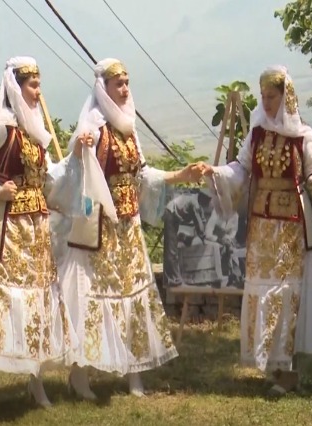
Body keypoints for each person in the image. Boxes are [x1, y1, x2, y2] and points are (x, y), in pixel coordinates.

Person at [198, 65, 312, 396]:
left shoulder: (302, 136)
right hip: (262, 226)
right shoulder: (256, 133)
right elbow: (241, 169)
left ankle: (287, 368)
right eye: (263, 97)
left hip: (291, 226)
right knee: (262, 288)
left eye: (272, 97)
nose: (266, 103)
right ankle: (272, 364)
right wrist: (218, 173)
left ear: (286, 97)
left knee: (286, 292)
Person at [56, 58, 202, 400]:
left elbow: (142, 174)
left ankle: (134, 370)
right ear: (102, 88)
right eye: (117, 84)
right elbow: (73, 175)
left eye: (126, 83)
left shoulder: (128, 128)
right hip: (100, 229)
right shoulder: (93, 128)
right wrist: (80, 151)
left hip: (128, 226)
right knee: (92, 296)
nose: (124, 90)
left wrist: (180, 175)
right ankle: (80, 373)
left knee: (134, 294)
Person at [0, 57, 82, 420]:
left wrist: (76, 154)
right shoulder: (2, 125)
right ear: (15, 87)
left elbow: (49, 179)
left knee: (38, 302)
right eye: (33, 85)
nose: (39, 92)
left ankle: (34, 378)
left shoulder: (33, 130)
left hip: (36, 233)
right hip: (7, 229)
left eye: (39, 84)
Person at [163, 188, 212, 287]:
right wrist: (203, 238)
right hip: (171, 214)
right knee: (172, 250)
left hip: (174, 215)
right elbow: (199, 225)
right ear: (202, 199)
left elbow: (201, 220)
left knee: (173, 248)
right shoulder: (194, 203)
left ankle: (172, 278)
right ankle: (174, 280)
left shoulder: (196, 203)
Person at [204, 207, 242, 288]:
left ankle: (234, 275)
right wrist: (219, 239)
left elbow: (233, 232)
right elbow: (208, 233)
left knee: (232, 249)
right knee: (219, 247)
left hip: (226, 239)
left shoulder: (235, 215)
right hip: (213, 239)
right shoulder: (216, 212)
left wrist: (228, 239)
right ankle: (219, 276)